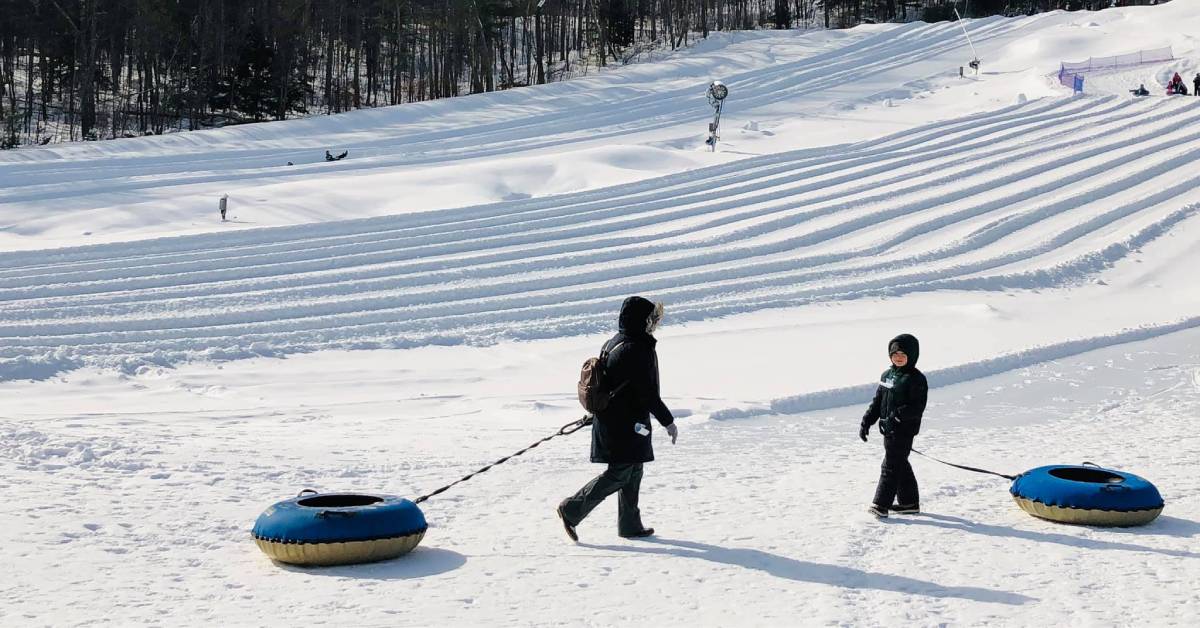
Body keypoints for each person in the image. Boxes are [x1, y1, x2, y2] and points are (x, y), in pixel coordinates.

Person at [558, 296, 678, 541]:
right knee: (621, 473)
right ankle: (571, 509)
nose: (655, 324)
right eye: (653, 319)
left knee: (634, 470)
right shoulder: (637, 348)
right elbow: (647, 393)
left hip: (619, 421)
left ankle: (630, 524)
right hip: (625, 425)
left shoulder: (616, 342)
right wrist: (668, 421)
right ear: (643, 321)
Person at [859, 334, 928, 519]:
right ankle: (909, 503)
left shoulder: (915, 379)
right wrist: (867, 421)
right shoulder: (887, 375)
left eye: (903, 354)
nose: (898, 357)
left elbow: (916, 407)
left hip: (904, 430)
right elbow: (879, 400)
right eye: (895, 353)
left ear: (912, 356)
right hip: (888, 429)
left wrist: (897, 416)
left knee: (890, 466)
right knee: (900, 463)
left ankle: (881, 504)